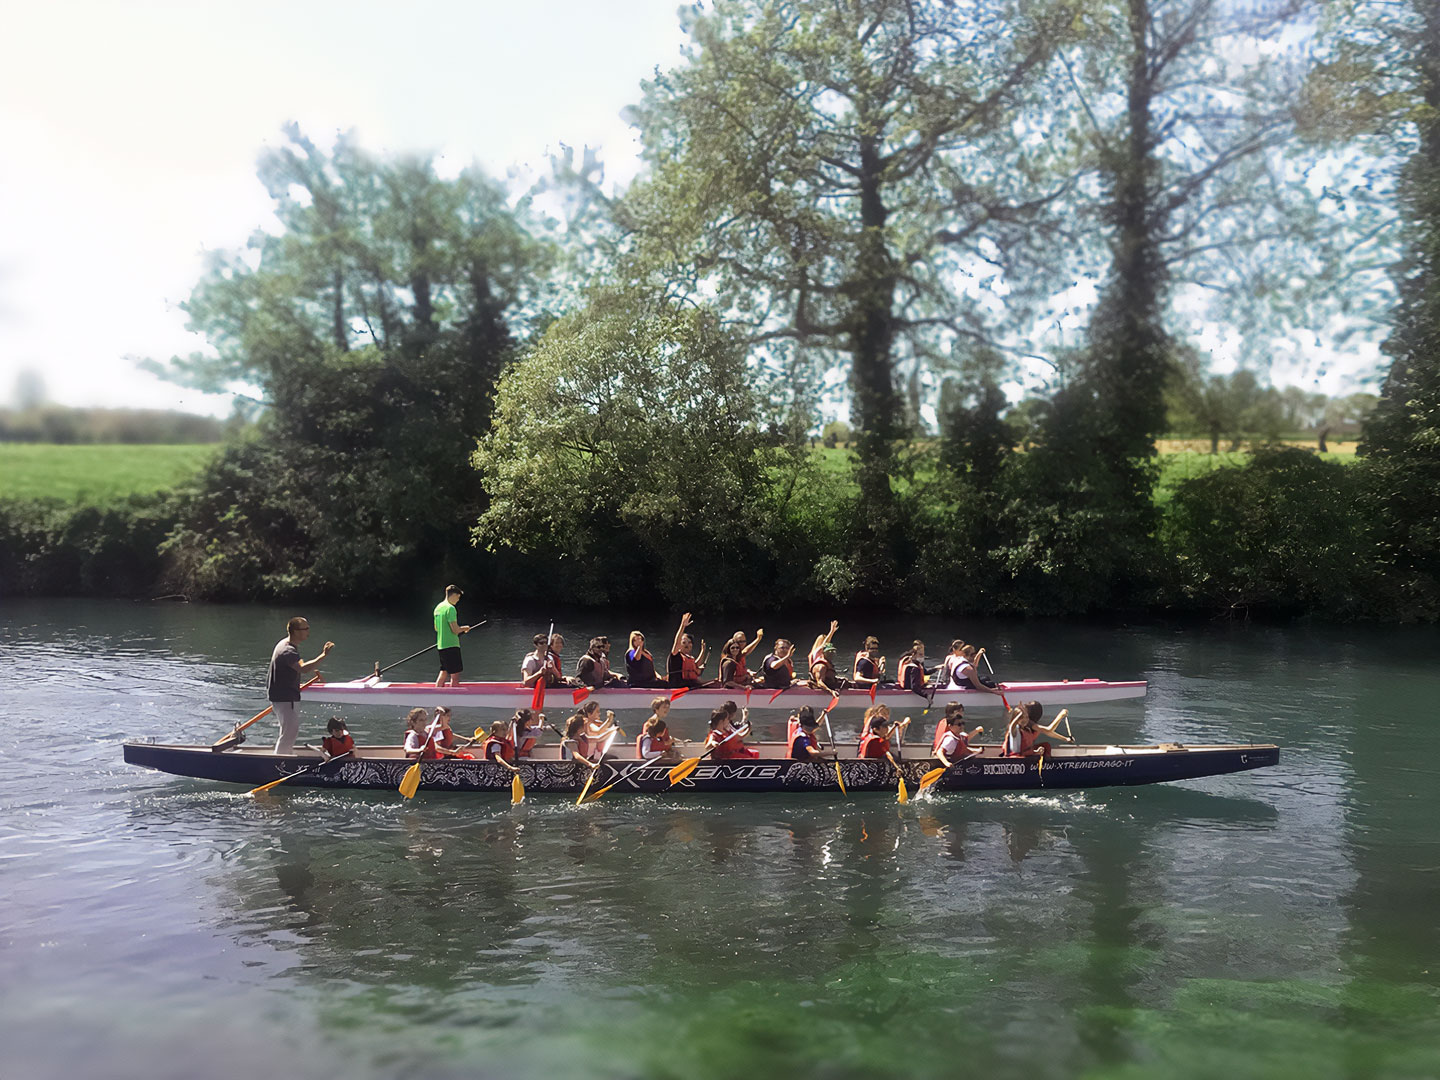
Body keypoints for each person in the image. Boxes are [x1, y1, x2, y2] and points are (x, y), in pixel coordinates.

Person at [266, 616, 335, 754]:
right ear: (296, 631)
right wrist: (323, 655)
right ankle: (281, 762)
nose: (308, 631)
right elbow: (303, 668)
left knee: (287, 731)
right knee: (290, 732)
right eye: (306, 628)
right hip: (285, 697)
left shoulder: (286, 644)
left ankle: (284, 756)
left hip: (283, 695)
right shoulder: (287, 650)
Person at [433, 585, 473, 687]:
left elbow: (436, 628)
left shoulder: (438, 608)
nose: (458, 600)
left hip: (441, 645)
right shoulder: (450, 609)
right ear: (454, 595)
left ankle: (437, 698)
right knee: (455, 676)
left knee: (444, 672)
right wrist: (465, 628)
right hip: (451, 645)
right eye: (458, 597)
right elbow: (455, 630)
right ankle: (453, 699)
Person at [1003, 702, 1073, 758]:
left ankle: (1046, 766)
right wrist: (1061, 715)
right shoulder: (1018, 727)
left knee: (1046, 746)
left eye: (1026, 716)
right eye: (1023, 717)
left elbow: (1048, 732)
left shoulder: (1028, 726)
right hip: (1017, 758)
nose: (1025, 719)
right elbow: (1049, 729)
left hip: (1026, 754)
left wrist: (1065, 739)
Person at [667, 612, 709, 689]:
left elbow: (695, 664)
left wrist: (703, 651)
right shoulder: (675, 655)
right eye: (684, 642)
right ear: (680, 645)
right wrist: (682, 626)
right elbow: (676, 642)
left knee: (715, 682)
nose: (687, 644)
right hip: (678, 687)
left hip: (690, 685)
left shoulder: (689, 657)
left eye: (689, 642)